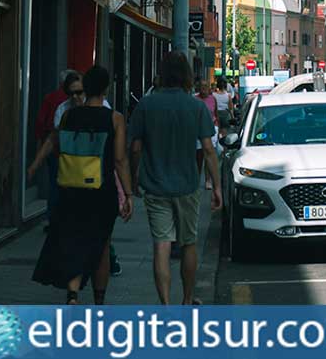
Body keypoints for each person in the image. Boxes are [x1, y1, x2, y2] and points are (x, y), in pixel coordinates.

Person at [31, 65, 133, 304]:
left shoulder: (68, 116)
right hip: (101, 190)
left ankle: (73, 293)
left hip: (71, 187)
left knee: (73, 239)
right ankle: (99, 301)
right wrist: (128, 194)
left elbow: (56, 142)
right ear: (106, 88)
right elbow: (119, 159)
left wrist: (35, 165)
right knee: (102, 245)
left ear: (85, 88)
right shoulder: (114, 118)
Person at [129, 52, 221, 305]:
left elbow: (135, 148)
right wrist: (216, 187)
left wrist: (134, 178)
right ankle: (187, 299)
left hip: (155, 185)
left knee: (161, 245)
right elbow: (209, 149)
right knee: (189, 243)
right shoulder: (196, 107)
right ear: (187, 76)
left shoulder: (146, 105)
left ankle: (166, 306)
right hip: (188, 185)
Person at [37, 70, 80, 229]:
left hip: (59, 154)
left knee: (55, 186)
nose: (75, 96)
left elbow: (41, 123)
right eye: (71, 92)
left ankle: (53, 218)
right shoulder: (63, 106)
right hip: (62, 154)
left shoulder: (52, 99)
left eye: (78, 92)